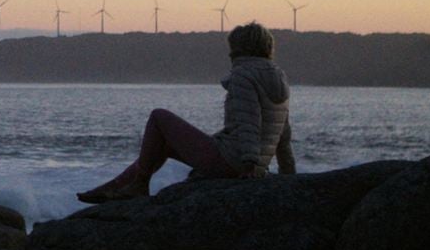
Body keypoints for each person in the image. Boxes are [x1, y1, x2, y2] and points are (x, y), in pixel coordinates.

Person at [77, 21, 296, 204]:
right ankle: (116, 187)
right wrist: (289, 176)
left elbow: (249, 121)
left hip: (234, 161)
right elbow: (283, 133)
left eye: (232, 47)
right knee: (163, 143)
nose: (229, 53)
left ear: (240, 48)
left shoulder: (243, 75)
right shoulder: (279, 77)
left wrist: (248, 164)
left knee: (159, 117)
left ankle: (138, 185)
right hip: (253, 164)